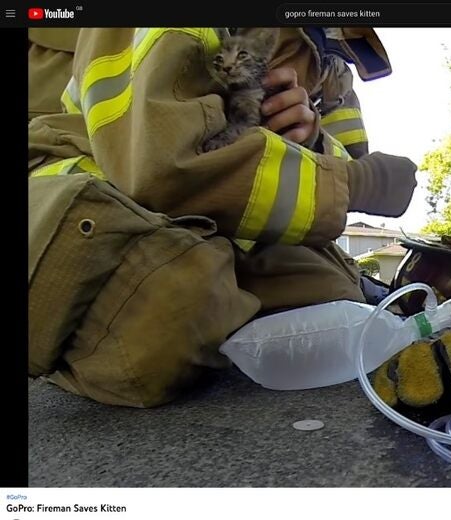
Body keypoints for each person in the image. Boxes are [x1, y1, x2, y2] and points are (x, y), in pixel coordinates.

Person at [28, 27, 418, 406]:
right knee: (178, 306)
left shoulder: (336, 47)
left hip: (221, 216)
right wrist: (362, 182)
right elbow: (165, 163)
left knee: (329, 294)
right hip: (93, 186)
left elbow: (340, 165)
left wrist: (312, 138)